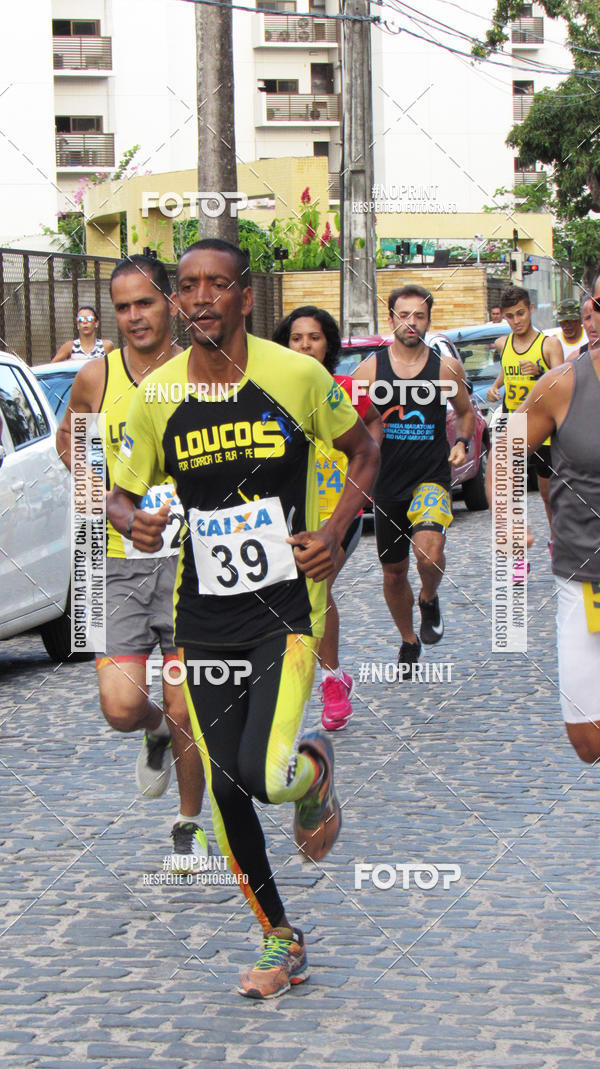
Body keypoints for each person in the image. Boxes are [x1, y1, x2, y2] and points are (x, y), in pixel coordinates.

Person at [107, 239, 380, 999]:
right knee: (227, 786)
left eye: (216, 285)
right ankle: (279, 936)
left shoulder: (295, 375)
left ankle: (315, 770)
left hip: (285, 612)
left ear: (244, 297)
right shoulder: (155, 395)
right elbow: (120, 490)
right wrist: (132, 520)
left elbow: (364, 451)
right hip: (201, 618)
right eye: (186, 287)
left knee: (265, 772)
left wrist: (332, 531)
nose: (199, 299)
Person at [56, 255, 207, 870]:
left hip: (191, 562)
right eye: (121, 307)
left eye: (144, 303)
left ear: (169, 302)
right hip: (111, 561)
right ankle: (152, 733)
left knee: (187, 703)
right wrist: (108, 503)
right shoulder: (96, 377)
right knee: (120, 706)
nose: (133, 317)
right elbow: (72, 442)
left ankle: (189, 824)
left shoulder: (202, 369)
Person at [486, 276, 600, 765]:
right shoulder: (564, 382)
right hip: (586, 575)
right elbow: (506, 452)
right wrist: (509, 519)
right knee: (588, 742)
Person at [354, 284, 474, 676]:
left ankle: (428, 597)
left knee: (429, 553)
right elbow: (346, 416)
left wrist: (461, 441)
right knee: (393, 571)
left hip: (430, 478)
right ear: (391, 319)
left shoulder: (444, 368)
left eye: (418, 315)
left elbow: (467, 413)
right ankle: (408, 638)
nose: (411, 323)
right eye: (403, 315)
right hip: (386, 483)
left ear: (428, 319)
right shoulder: (370, 369)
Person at [272, 305, 383, 731]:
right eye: (296, 338)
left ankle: (331, 682)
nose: (304, 345)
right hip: (291, 513)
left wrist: (359, 476)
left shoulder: (344, 388)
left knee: (318, 583)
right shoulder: (272, 390)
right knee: (302, 591)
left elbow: (373, 425)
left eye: (313, 337)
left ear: (329, 345)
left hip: (339, 512)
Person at [486, 286, 562, 541]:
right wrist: (495, 388)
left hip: (544, 428)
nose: (516, 321)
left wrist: (540, 372)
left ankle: (556, 540)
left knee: (547, 493)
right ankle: (516, 544)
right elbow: (507, 370)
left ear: (531, 309)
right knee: (508, 491)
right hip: (514, 424)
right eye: (510, 316)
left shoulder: (548, 345)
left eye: (521, 314)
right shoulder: (502, 343)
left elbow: (563, 386)